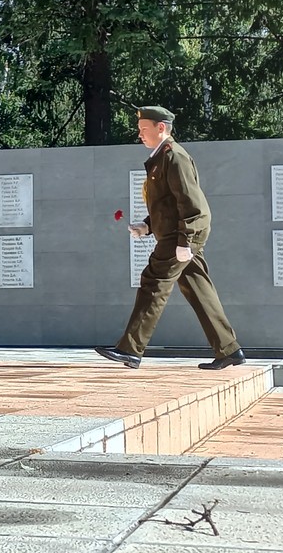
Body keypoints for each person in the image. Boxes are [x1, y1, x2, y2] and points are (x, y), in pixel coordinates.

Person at [95, 106, 245, 371]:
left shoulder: (174, 157)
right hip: (175, 235)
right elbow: (168, 204)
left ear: (161, 127)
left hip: (178, 238)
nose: (139, 134)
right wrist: (147, 226)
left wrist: (186, 241)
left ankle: (130, 349)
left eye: (144, 129)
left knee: (153, 283)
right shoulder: (162, 158)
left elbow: (193, 204)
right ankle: (229, 350)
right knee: (199, 291)